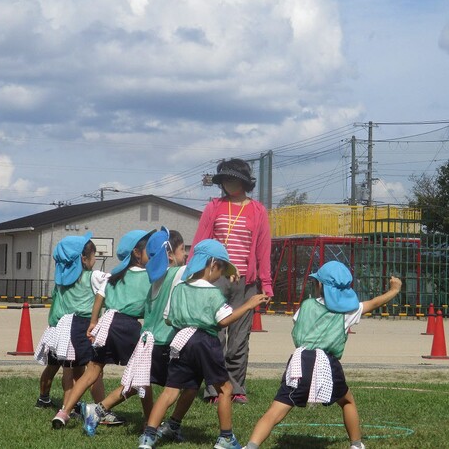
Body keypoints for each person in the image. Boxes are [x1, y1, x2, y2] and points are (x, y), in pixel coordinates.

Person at [243, 261, 402, 449]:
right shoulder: (348, 311)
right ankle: (356, 444)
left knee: (276, 409)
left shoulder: (307, 305)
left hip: (299, 360)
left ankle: (251, 446)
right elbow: (375, 303)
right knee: (347, 401)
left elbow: (298, 326)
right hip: (326, 362)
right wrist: (394, 290)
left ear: (320, 286)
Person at [137, 239, 270, 449]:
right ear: (212, 265)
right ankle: (226, 438)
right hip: (205, 341)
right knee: (225, 388)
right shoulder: (212, 293)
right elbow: (224, 320)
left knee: (171, 390)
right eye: (221, 270)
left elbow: (169, 318)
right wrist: (249, 305)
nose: (221, 276)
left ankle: (148, 436)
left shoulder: (180, 288)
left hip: (180, 340)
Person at [80, 228, 196, 438]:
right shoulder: (174, 272)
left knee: (137, 384)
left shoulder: (153, 274)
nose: (185, 254)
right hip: (161, 340)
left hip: (148, 339)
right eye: (182, 249)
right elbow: (196, 269)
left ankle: (98, 411)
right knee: (185, 383)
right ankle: (165, 426)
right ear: (169, 254)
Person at [51, 229, 154, 429]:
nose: (153, 255)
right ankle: (150, 421)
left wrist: (93, 321)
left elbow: (99, 296)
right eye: (150, 251)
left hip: (107, 323)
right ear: (136, 253)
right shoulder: (148, 277)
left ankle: (63, 412)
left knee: (92, 371)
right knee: (143, 374)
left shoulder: (115, 275)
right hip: (127, 326)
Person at [192, 158, 273, 404]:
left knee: (239, 339)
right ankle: (215, 389)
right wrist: (192, 274)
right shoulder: (213, 207)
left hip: (246, 283)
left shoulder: (258, 210)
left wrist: (266, 284)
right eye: (225, 179)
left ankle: (236, 388)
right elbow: (200, 243)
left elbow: (263, 249)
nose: (228, 183)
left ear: (244, 182)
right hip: (216, 280)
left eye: (233, 178)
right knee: (214, 337)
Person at [33, 232, 115, 420]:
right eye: (94, 256)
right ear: (84, 259)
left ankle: (65, 406)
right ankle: (102, 411)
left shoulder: (61, 281)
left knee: (68, 369)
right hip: (82, 326)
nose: (95, 260)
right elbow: (111, 281)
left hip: (59, 328)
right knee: (94, 370)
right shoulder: (90, 276)